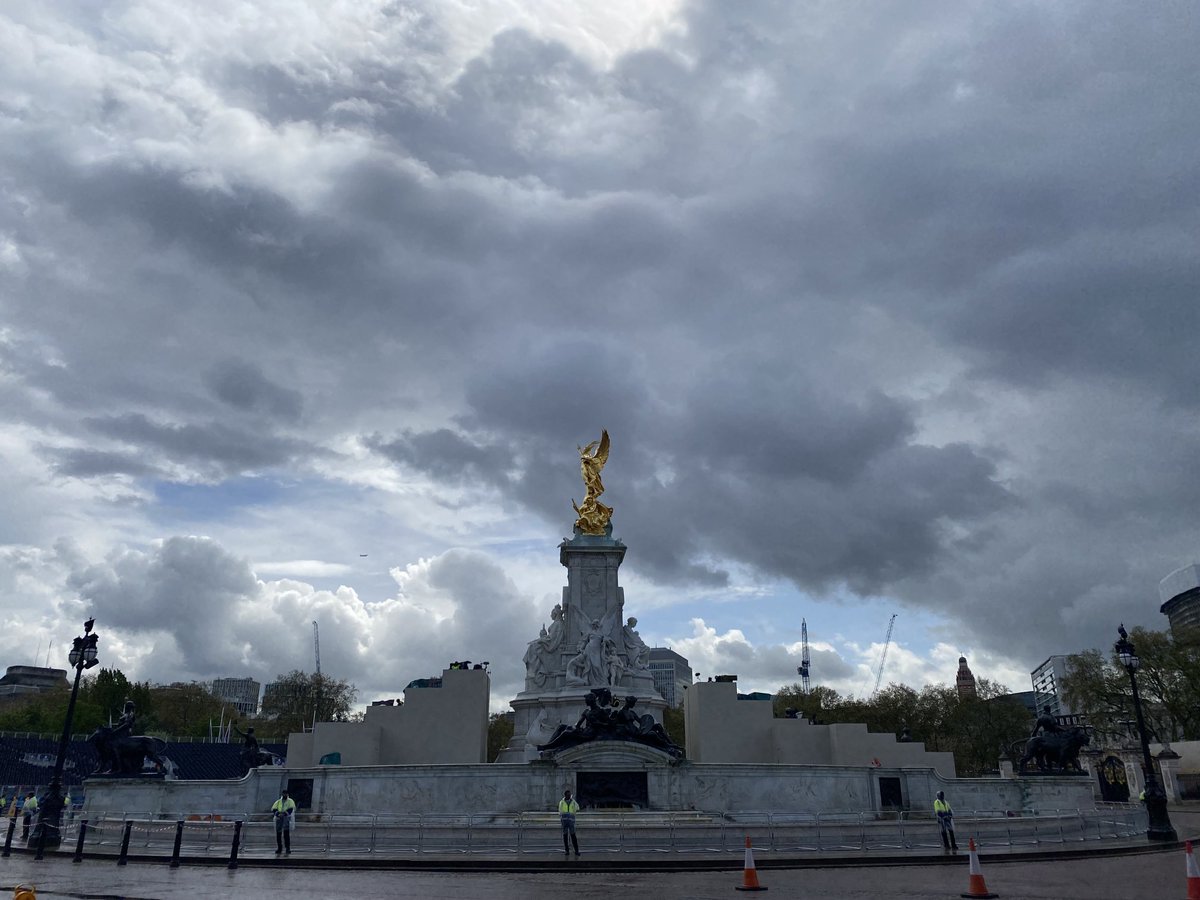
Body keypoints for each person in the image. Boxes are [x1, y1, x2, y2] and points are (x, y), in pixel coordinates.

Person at [271, 789, 296, 855]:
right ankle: (279, 848)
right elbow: (274, 809)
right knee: (278, 833)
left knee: (286, 834)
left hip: (286, 818)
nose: (284, 795)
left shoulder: (290, 801)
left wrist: (284, 814)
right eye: (283, 793)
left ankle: (287, 848)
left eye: (286, 793)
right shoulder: (278, 801)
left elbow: (291, 809)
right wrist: (278, 814)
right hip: (279, 818)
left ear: (287, 794)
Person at [558, 788, 580, 857]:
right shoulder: (561, 802)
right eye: (568, 794)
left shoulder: (573, 802)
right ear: (565, 795)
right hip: (564, 822)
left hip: (571, 822)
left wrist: (573, 812)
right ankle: (567, 850)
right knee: (565, 836)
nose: (570, 795)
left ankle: (576, 851)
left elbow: (578, 808)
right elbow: (560, 811)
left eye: (570, 794)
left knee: (573, 836)